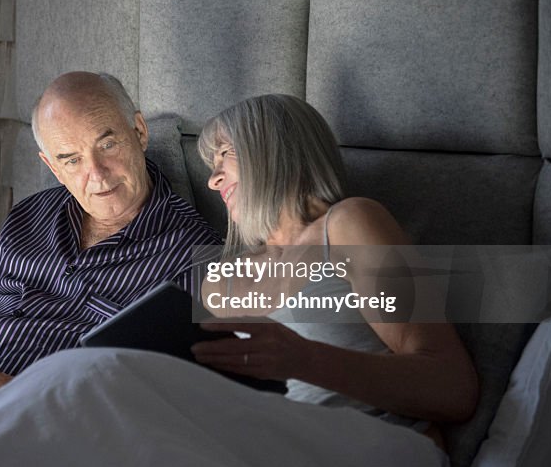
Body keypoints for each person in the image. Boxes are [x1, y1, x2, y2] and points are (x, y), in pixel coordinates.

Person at [0, 71, 220, 403]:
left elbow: (159, 402)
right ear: (53, 167)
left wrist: (0, 388)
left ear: (140, 132)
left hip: (43, 422)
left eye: (107, 145)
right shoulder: (27, 216)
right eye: (72, 160)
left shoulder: (199, 258)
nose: (97, 174)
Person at [190, 94, 478, 428]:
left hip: (368, 445)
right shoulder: (220, 284)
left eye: (225, 153)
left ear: (276, 149)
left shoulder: (348, 225)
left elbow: (453, 388)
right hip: (260, 448)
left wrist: (306, 359)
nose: (212, 180)